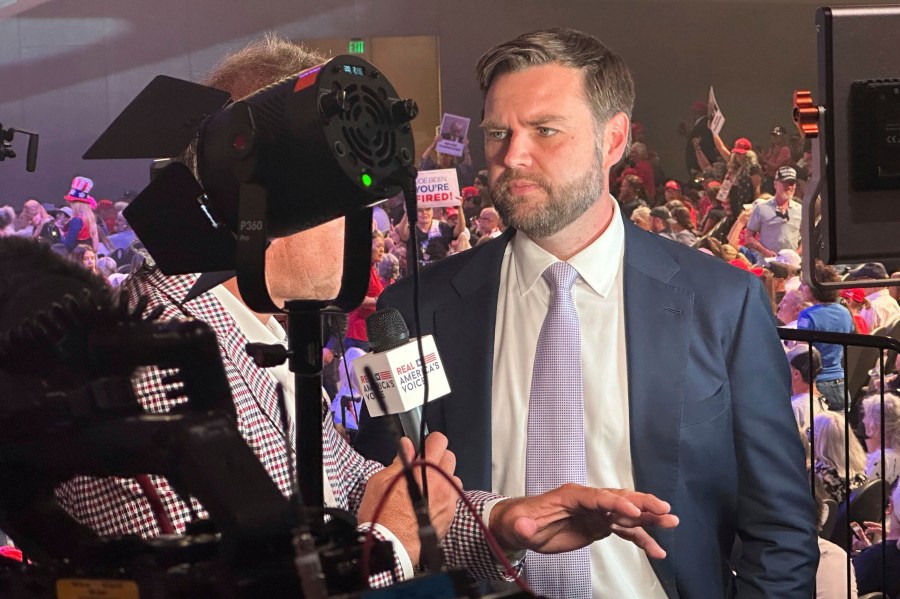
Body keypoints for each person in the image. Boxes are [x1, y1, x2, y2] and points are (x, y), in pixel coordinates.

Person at [54, 33, 678, 589]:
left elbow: (356, 492)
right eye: (351, 194)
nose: (370, 222)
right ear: (268, 197)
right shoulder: (150, 371)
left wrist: (505, 521)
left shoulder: (257, 334)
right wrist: (395, 544)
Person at [356, 27, 817, 598]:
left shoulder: (724, 302)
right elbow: (380, 502)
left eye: (545, 130)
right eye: (498, 132)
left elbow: (780, 529)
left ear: (613, 138)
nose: (511, 155)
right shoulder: (416, 308)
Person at [797, 262, 855, 411]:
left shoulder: (807, 315)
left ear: (815, 287)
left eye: (803, 284)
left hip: (819, 385)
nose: (799, 288)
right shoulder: (845, 312)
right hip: (840, 382)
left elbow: (803, 352)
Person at [743, 166, 802, 258]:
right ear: (775, 184)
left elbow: (808, 239)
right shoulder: (761, 208)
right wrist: (765, 252)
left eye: (792, 183)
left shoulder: (801, 210)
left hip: (792, 264)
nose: (789, 186)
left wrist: (796, 254)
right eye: (785, 183)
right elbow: (748, 237)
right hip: (767, 262)